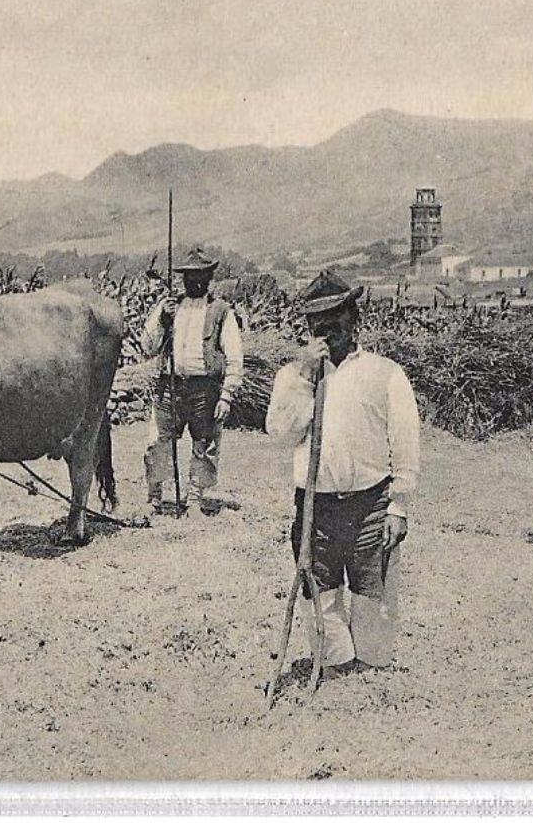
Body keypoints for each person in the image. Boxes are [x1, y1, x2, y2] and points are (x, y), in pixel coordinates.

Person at [266, 270, 421, 673]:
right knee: (320, 587)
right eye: (318, 321)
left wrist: (398, 506)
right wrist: (303, 378)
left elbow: (405, 445)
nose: (327, 327)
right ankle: (337, 662)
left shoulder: (384, 373)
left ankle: (370, 664)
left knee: (373, 590)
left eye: (337, 315)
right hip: (316, 507)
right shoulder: (293, 377)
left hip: (371, 503)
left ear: (355, 320)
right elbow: (281, 435)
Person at [140, 246, 244, 515]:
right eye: (189, 276)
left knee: (204, 444)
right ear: (183, 278)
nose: (195, 281)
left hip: (204, 389)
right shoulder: (169, 307)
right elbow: (147, 346)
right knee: (158, 443)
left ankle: (195, 499)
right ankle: (155, 497)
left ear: (209, 278)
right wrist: (163, 320)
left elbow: (234, 356)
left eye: (200, 276)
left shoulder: (221, 312)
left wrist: (226, 395)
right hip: (169, 386)